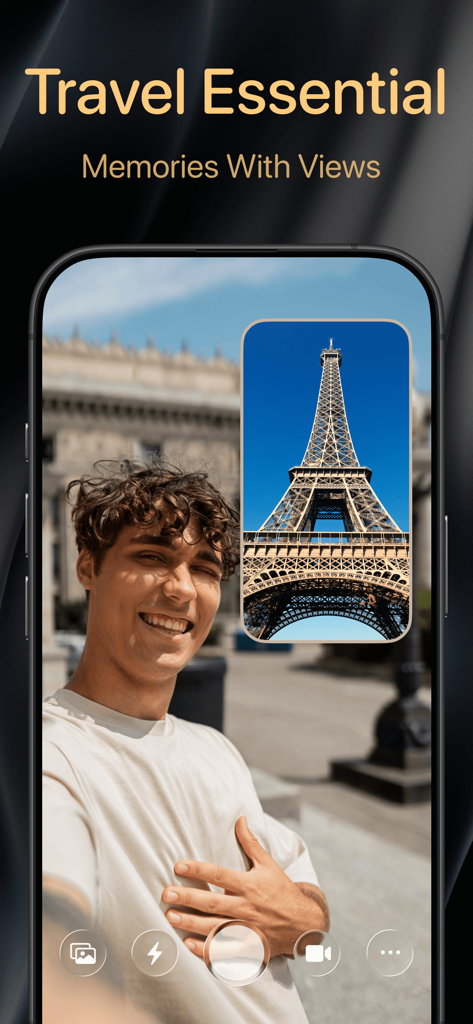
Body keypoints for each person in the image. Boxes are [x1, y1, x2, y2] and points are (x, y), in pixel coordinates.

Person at [43, 459, 329, 1024]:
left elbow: (308, 915)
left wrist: (300, 919)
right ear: (87, 566)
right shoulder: (49, 751)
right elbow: (49, 923)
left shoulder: (217, 750)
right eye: (151, 556)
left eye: (204, 568)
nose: (180, 589)